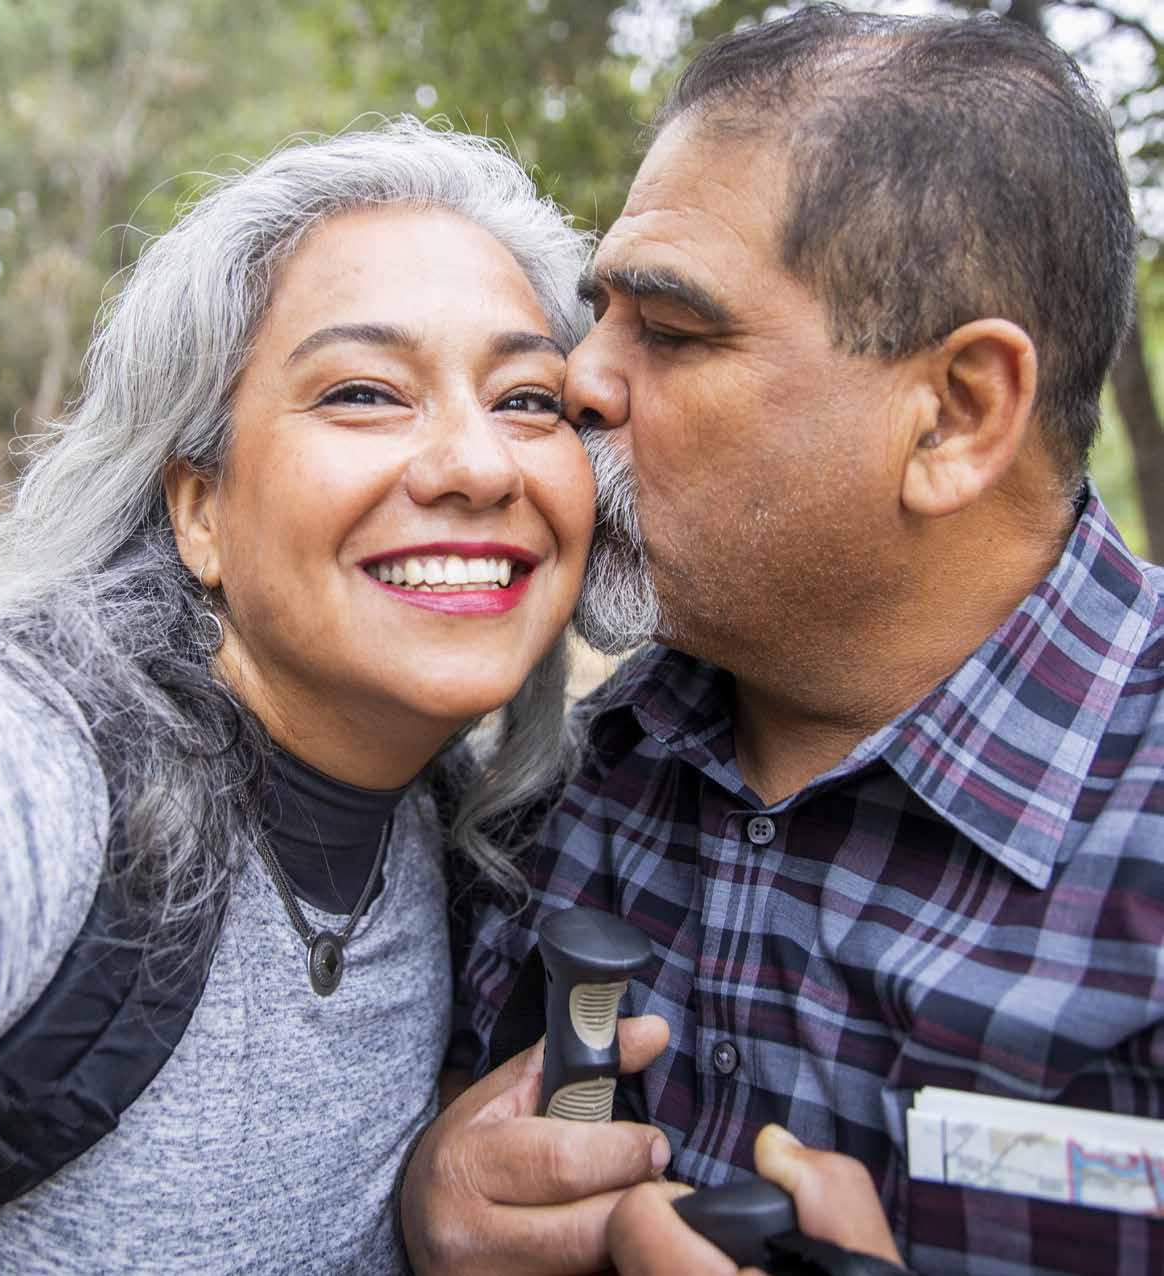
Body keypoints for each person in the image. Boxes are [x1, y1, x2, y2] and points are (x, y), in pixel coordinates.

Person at [402, 9, 1164, 1276]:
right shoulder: (560, 785)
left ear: (954, 417)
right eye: (601, 313)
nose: (579, 379)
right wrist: (435, 1201)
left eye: (673, 329)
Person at [0, 118, 605, 1273]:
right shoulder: (10, 773)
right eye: (365, 392)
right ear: (200, 509)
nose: (479, 465)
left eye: (528, 399)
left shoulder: (474, 846)